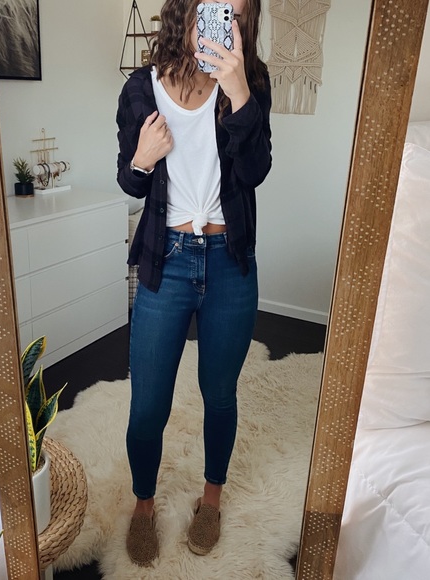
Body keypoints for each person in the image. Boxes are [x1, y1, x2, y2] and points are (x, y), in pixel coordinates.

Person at [116, 0, 272, 567]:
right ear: (188, 10)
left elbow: (255, 171)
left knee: (220, 394)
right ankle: (143, 504)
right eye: (216, 9)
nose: (225, 25)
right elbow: (130, 181)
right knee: (147, 405)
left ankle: (212, 498)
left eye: (237, 16)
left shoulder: (250, 81)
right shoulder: (141, 88)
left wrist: (241, 94)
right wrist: (142, 158)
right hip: (168, 260)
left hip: (230, 261)